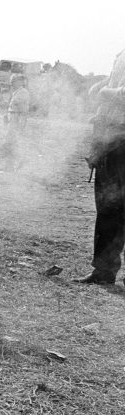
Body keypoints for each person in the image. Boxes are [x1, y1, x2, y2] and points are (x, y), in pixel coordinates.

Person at [76, 49, 125, 286]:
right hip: (111, 139)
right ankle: (104, 270)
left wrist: (104, 91)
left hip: (121, 142)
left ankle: (106, 271)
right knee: (110, 209)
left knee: (115, 208)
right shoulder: (120, 54)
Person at [4, 73, 30, 170]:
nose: (11, 83)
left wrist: (21, 124)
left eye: (13, 80)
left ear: (20, 82)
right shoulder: (17, 92)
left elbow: (23, 110)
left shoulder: (23, 93)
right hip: (13, 118)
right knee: (10, 142)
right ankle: (10, 164)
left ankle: (17, 162)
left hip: (17, 119)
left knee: (13, 142)